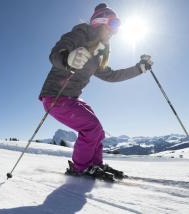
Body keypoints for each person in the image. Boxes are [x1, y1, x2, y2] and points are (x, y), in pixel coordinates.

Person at [39, 3, 153, 179]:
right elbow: (56, 53)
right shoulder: (81, 34)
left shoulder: (99, 53)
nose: (115, 31)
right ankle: (79, 168)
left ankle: (95, 163)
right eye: (114, 24)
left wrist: (139, 69)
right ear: (100, 21)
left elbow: (112, 75)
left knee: (98, 131)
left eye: (118, 27)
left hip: (73, 98)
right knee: (91, 127)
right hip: (56, 96)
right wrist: (66, 58)